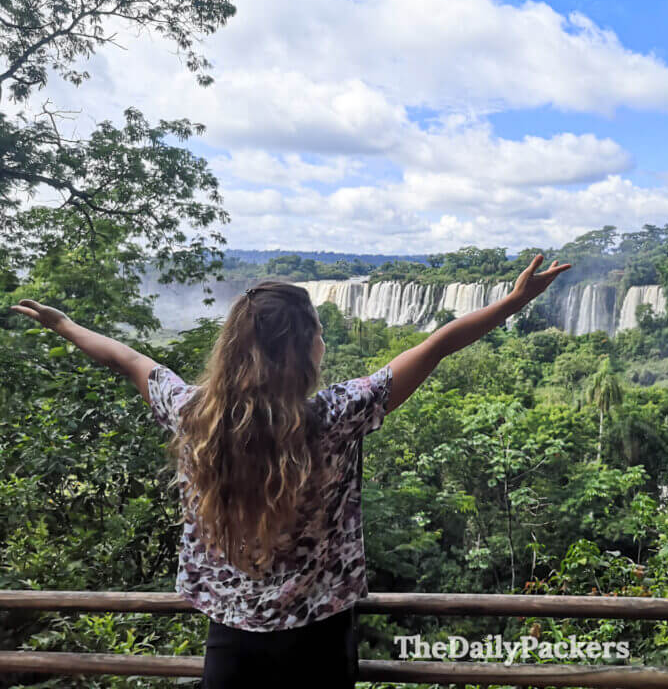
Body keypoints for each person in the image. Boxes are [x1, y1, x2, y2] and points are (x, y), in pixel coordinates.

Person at [9, 252, 571, 688]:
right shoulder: (335, 414)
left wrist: (64, 325)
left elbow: (125, 358)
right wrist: (513, 302)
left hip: (230, 642)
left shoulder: (192, 413)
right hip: (320, 641)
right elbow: (439, 344)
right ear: (307, 351)